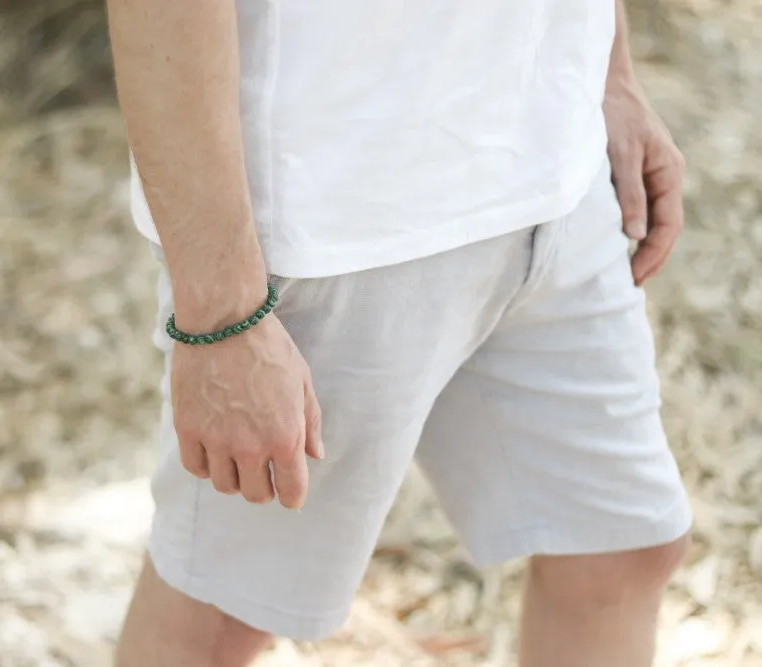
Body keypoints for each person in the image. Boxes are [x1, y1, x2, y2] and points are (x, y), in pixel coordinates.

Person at [107, 0, 692, 664]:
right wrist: (222, 316)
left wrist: (611, 75)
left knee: (617, 546)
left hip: (555, 164)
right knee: (217, 617)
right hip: (335, 214)